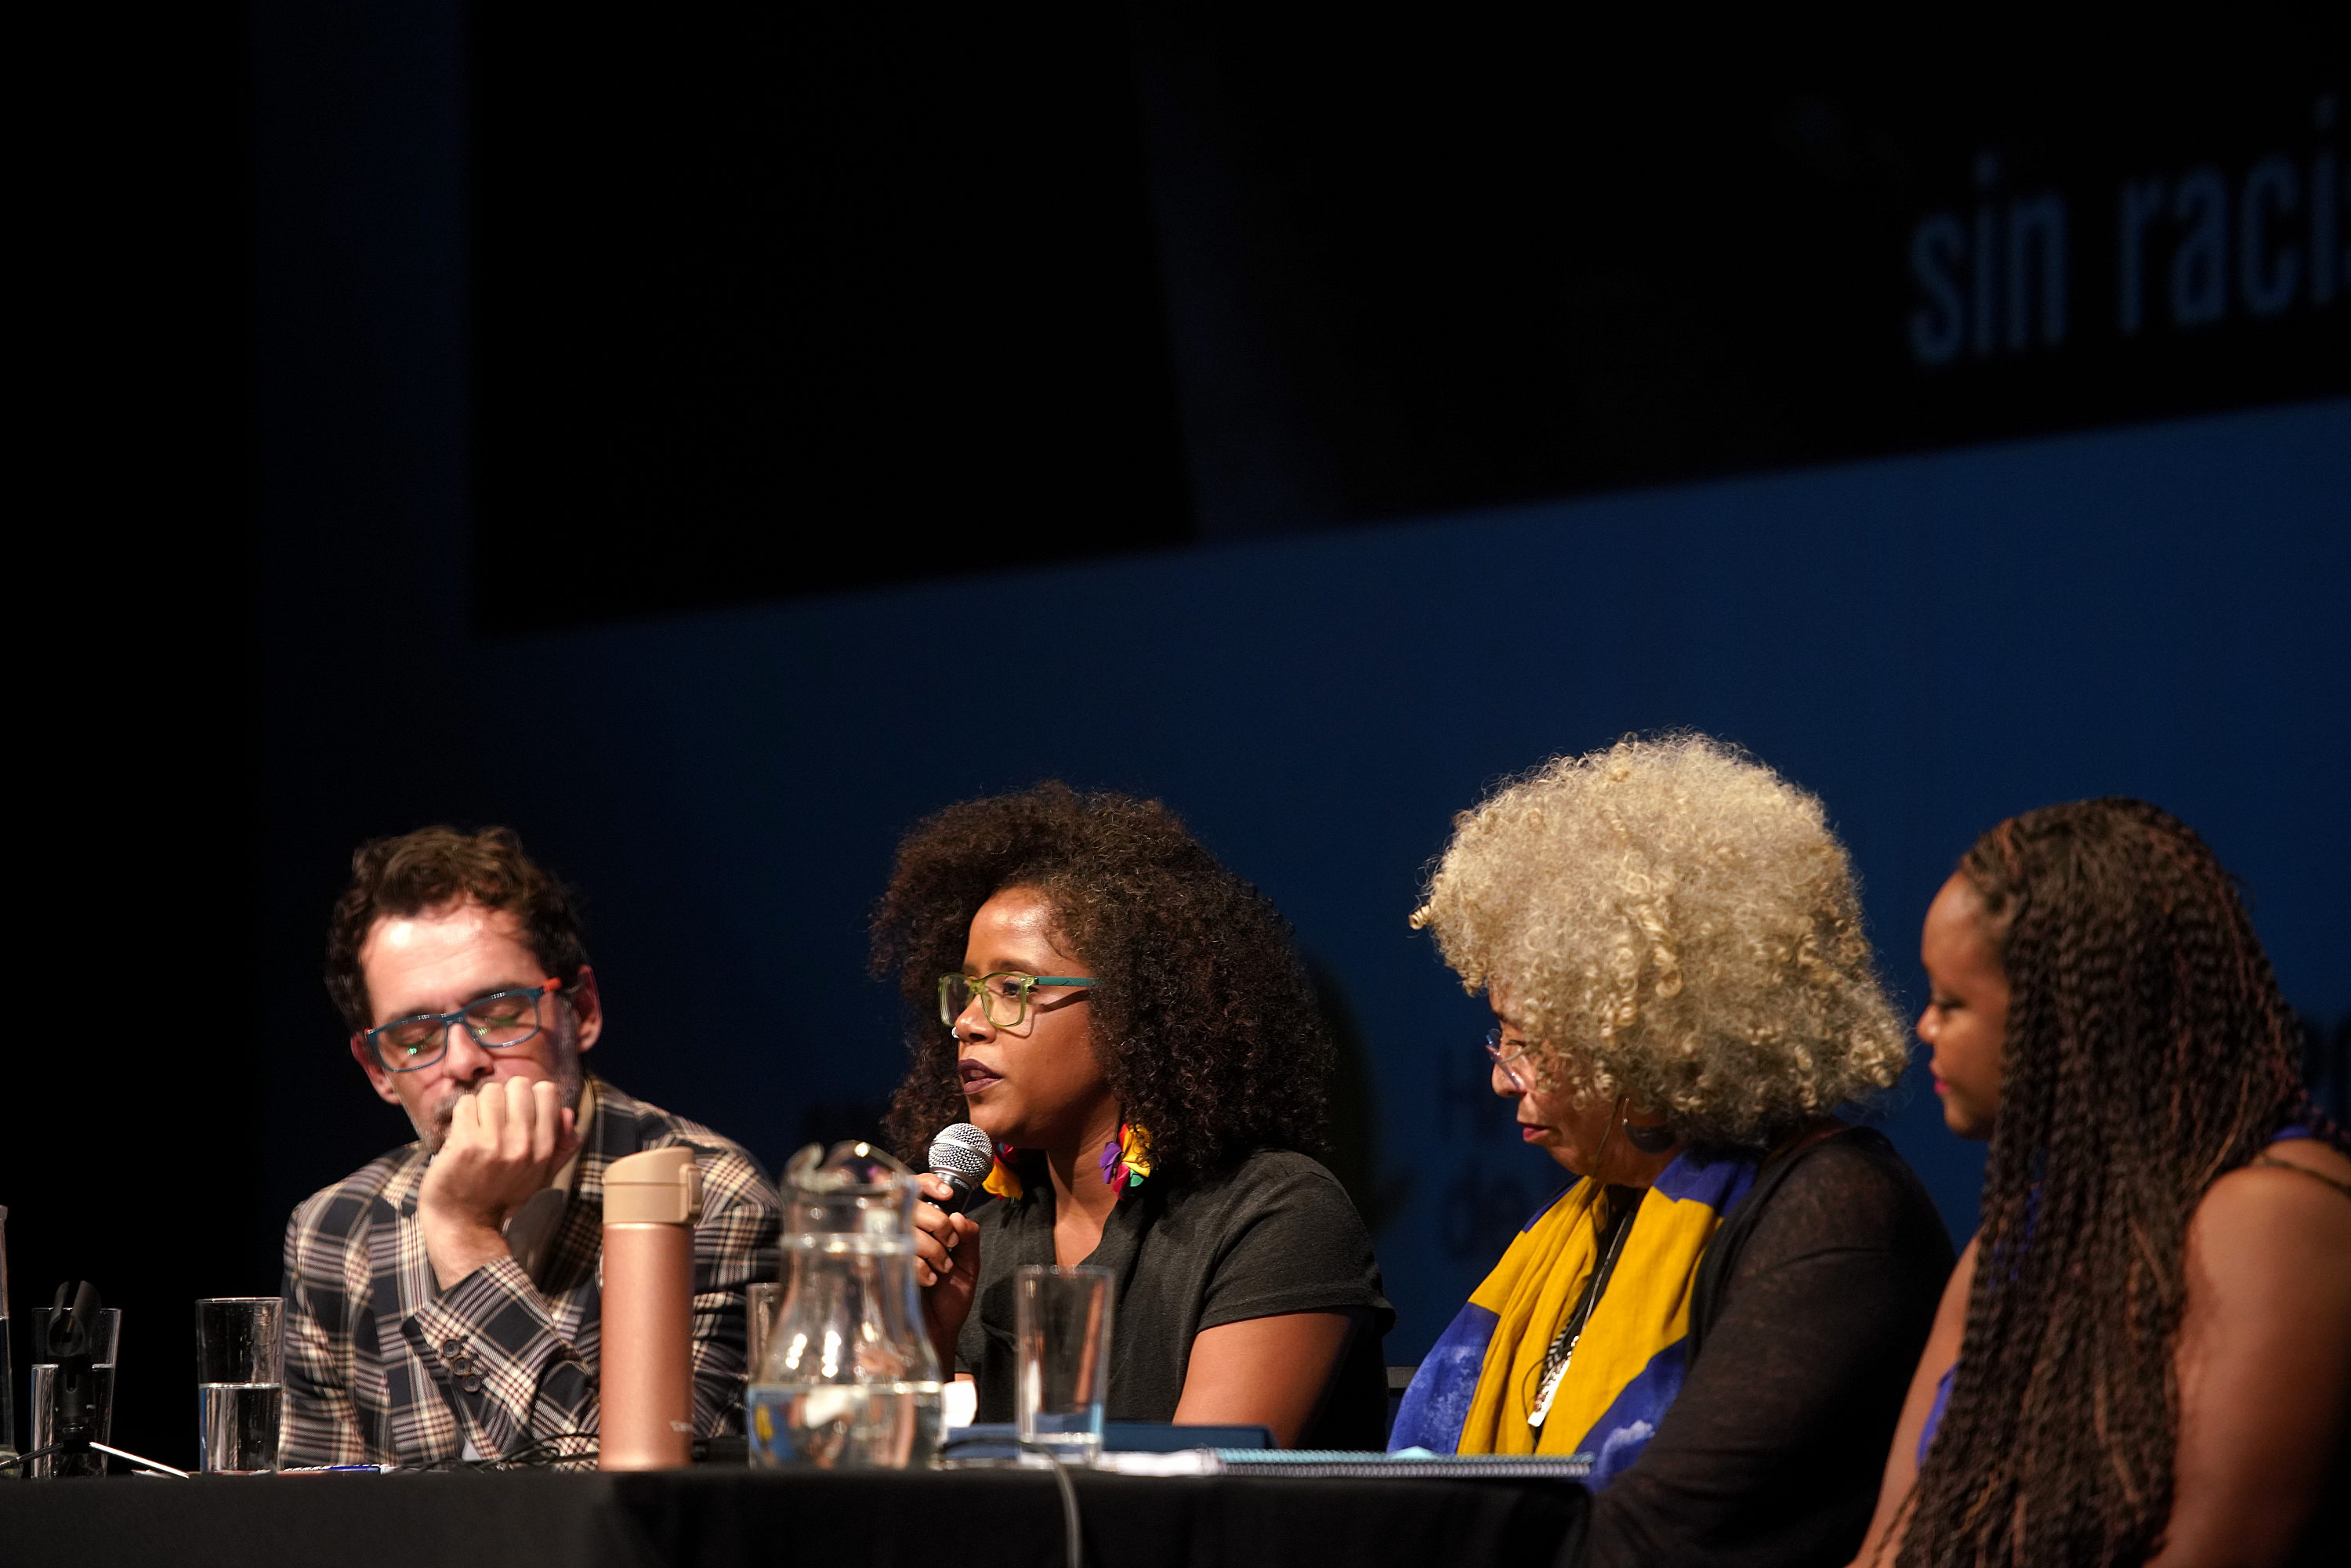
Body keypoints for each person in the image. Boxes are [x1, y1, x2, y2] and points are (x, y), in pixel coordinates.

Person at [1393, 734, 1953, 1567]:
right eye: (1501, 1037)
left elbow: (1666, 1540)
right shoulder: (1593, 1220)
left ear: (1651, 1040)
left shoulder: (1838, 1220)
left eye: (1533, 1042)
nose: (1506, 1081)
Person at [1850, 799, 2351, 1568]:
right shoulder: (2011, 1245)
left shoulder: (2273, 1218)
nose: (1925, 1028)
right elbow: (1890, 1546)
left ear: (2063, 1021)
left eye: (1952, 1003)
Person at [880, 783, 1393, 1448]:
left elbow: (1193, 1507)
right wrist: (926, 1339)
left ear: (1132, 1008)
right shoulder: (978, 1245)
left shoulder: (1275, 1216)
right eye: (967, 992)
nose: (969, 1025)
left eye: (1012, 988)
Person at [281, 827, 781, 1468]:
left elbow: (631, 1512)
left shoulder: (712, 1195)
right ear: (378, 1068)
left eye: (498, 1010)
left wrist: (464, 1233)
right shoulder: (332, 1230)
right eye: (414, 1034)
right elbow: (314, 1528)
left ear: (583, 1010)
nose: (462, 1060)